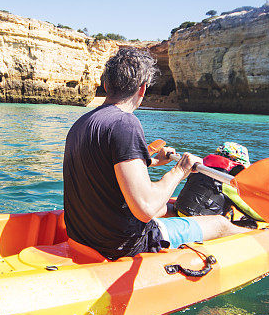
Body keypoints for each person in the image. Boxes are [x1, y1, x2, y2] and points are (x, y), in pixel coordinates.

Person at [63, 47, 249, 260]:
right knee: (220, 224)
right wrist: (180, 170)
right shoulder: (125, 123)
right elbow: (145, 209)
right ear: (142, 89)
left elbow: (102, 165)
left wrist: (150, 161)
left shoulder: (81, 124)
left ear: (106, 85)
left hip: (83, 238)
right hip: (123, 245)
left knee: (166, 206)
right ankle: (264, 240)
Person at [175, 142, 264, 227]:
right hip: (201, 224)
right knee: (252, 224)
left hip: (180, 212)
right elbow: (252, 213)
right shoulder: (227, 181)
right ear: (237, 166)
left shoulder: (199, 170)